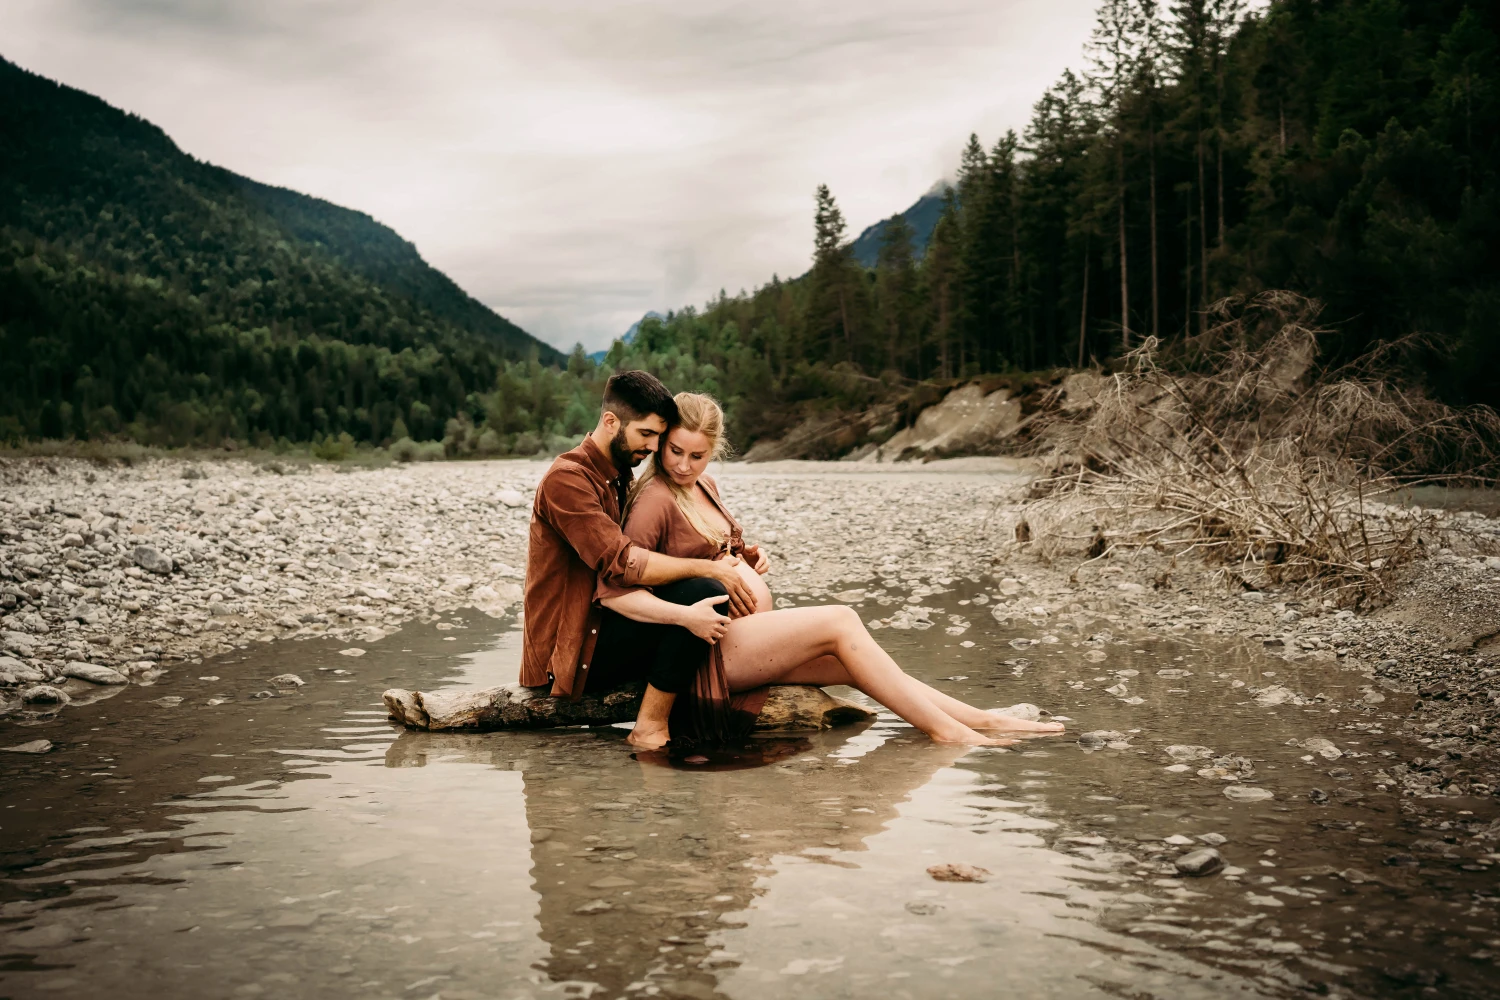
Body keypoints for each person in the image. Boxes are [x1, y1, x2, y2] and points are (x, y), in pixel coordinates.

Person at [601, 392, 1066, 749]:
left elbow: (718, 546)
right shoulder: (654, 499)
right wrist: (712, 575)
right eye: (675, 451)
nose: (683, 465)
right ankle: (948, 734)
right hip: (705, 650)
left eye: (696, 455)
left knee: (855, 662)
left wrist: (747, 561)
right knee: (839, 620)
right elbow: (629, 582)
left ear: (714, 451)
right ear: (663, 442)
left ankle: (981, 718)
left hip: (744, 634)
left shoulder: (705, 485)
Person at [520, 371, 757, 751]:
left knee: (701, 590)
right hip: (570, 656)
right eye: (646, 434)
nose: (653, 446)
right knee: (703, 591)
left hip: (602, 630)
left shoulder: (617, 475)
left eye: (658, 437)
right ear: (611, 421)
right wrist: (708, 572)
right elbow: (622, 563)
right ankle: (650, 727)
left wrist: (735, 556)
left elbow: (662, 554)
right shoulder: (567, 480)